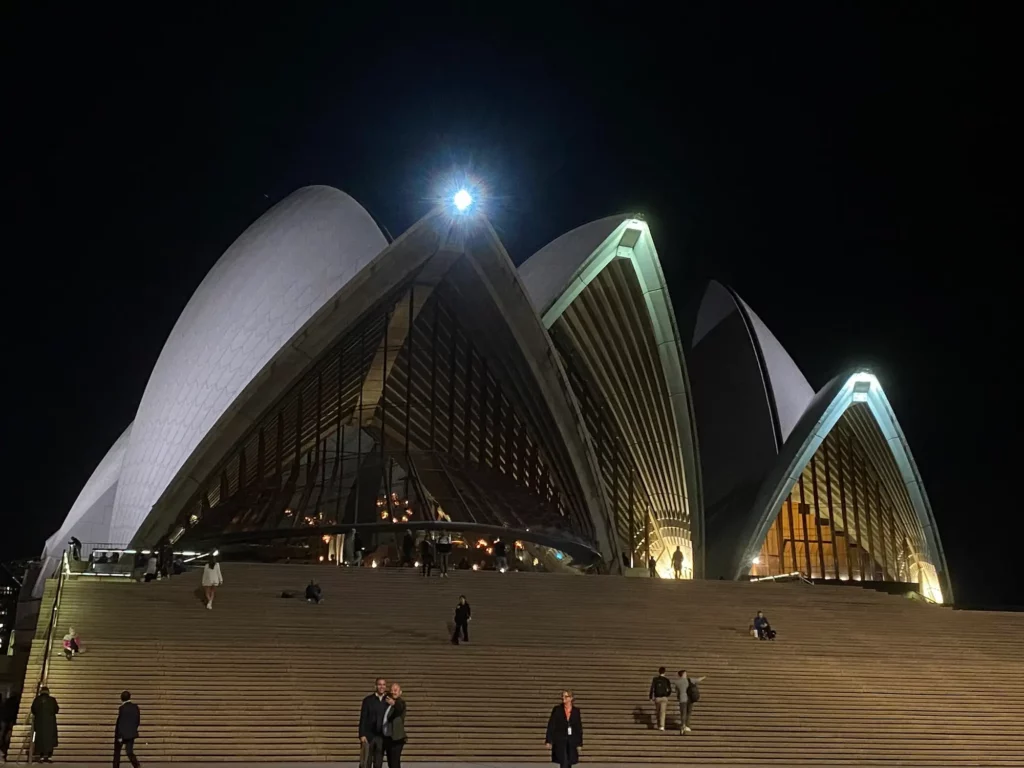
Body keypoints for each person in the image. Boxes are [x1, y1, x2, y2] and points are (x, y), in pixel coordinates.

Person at [545, 689, 583, 768]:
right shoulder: (557, 709)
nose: (563, 698)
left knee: (569, 761)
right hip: (560, 740)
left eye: (566, 696)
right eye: (562, 696)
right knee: (564, 761)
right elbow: (551, 724)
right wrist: (548, 740)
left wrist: (579, 743)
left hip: (571, 740)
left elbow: (578, 728)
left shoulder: (576, 711)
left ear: (571, 698)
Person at [358, 678, 389, 768]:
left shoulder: (387, 701)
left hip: (381, 736)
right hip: (368, 735)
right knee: (366, 762)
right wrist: (362, 734)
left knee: (378, 763)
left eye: (383, 685)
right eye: (379, 684)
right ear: (375, 686)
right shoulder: (368, 700)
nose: (381, 687)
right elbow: (363, 718)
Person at [31, 686, 59, 763]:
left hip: (39, 723)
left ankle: (39, 756)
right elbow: (56, 710)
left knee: (40, 739)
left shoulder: (37, 700)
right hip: (50, 723)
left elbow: (33, 709)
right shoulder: (52, 700)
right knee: (49, 739)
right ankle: (47, 756)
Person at [113, 690, 141, 768]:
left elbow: (121, 723)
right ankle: (136, 765)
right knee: (129, 751)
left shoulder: (122, 708)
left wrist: (119, 736)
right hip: (131, 733)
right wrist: (133, 729)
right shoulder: (135, 707)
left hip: (121, 734)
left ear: (121, 698)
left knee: (117, 753)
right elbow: (137, 720)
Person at [382, 682, 407, 768]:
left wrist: (394, 703)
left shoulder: (400, 702)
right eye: (391, 690)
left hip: (397, 738)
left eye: (395, 690)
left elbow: (399, 708)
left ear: (400, 692)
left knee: (395, 763)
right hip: (388, 737)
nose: (393, 692)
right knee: (391, 763)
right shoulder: (387, 703)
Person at [675, 670, 706, 734]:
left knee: (683, 713)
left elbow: (677, 692)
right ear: (683, 674)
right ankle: (687, 725)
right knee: (688, 713)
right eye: (685, 673)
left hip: (682, 699)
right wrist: (703, 677)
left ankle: (683, 725)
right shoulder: (689, 680)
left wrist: (679, 697)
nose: (686, 674)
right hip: (689, 699)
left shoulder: (677, 682)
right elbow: (697, 680)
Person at [648, 666, 672, 731]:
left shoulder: (655, 679)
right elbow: (670, 689)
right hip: (664, 697)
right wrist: (667, 695)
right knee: (663, 712)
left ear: (659, 672)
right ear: (665, 672)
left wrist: (650, 696)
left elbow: (652, 688)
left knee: (658, 711)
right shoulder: (667, 680)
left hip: (657, 697)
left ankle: (659, 724)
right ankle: (662, 726)